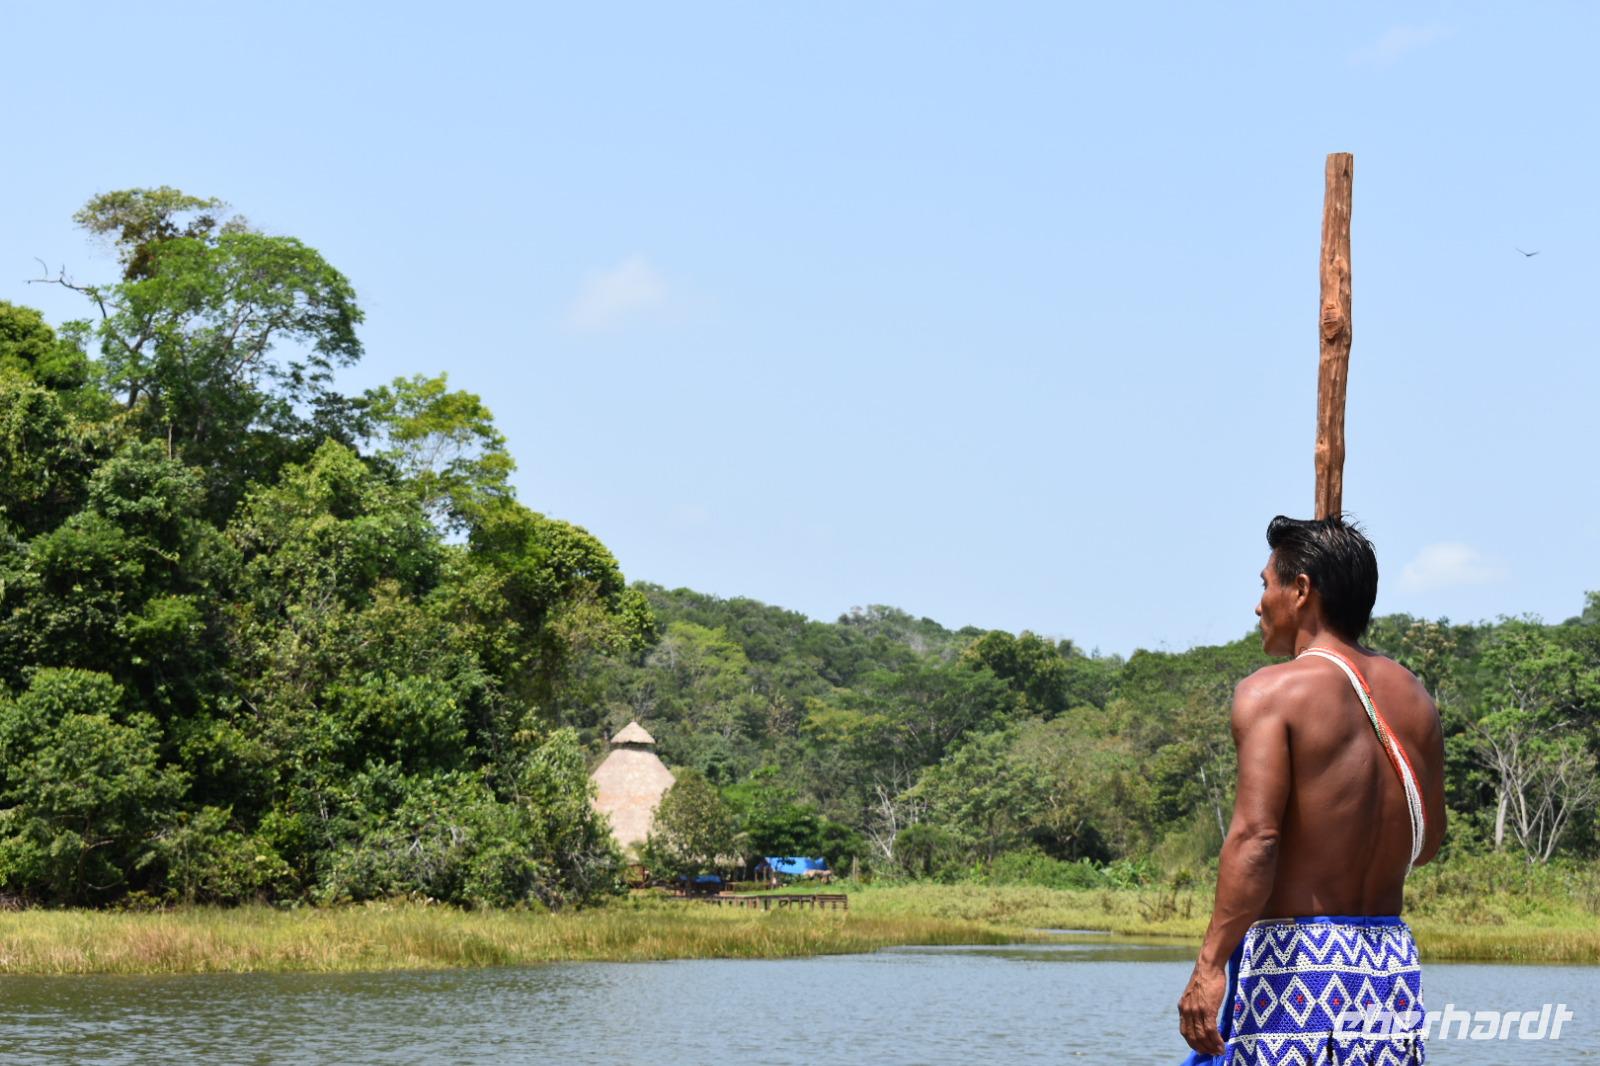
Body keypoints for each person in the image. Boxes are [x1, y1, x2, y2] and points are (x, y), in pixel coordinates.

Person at [1177, 516, 1446, 1065]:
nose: (1259, 605)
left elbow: (1257, 839)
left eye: (1265, 584)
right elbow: (1429, 842)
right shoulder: (1414, 697)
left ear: (1301, 591)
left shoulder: (1270, 693)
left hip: (1298, 966)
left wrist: (1209, 967)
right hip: (1388, 963)